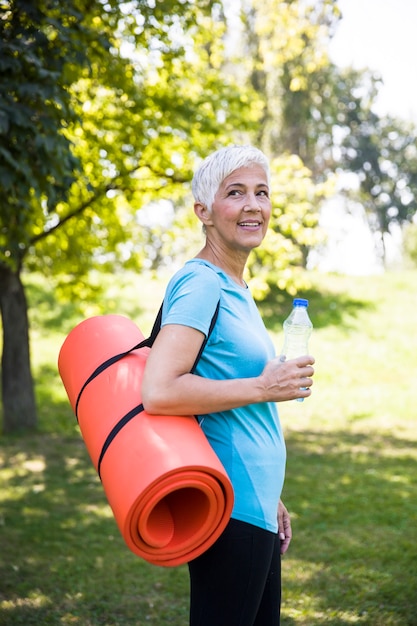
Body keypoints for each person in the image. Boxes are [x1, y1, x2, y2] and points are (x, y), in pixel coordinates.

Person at [141, 145, 315, 626]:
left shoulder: (236, 287)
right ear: (204, 211)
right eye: (235, 193)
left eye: (261, 192)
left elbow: (227, 400)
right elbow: (160, 390)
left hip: (253, 505)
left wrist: (272, 493)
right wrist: (265, 386)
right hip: (228, 509)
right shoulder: (201, 284)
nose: (253, 205)